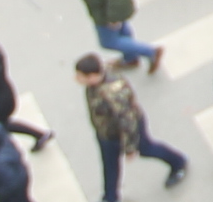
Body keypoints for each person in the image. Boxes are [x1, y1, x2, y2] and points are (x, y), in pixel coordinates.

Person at [79, 51, 193, 200]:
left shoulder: (113, 92)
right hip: (106, 132)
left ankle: (178, 162)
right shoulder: (96, 84)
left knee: (146, 148)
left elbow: (127, 120)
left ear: (92, 76)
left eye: (79, 76)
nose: (77, 79)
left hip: (127, 130)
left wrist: (130, 147)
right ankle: (110, 196)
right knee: (109, 163)